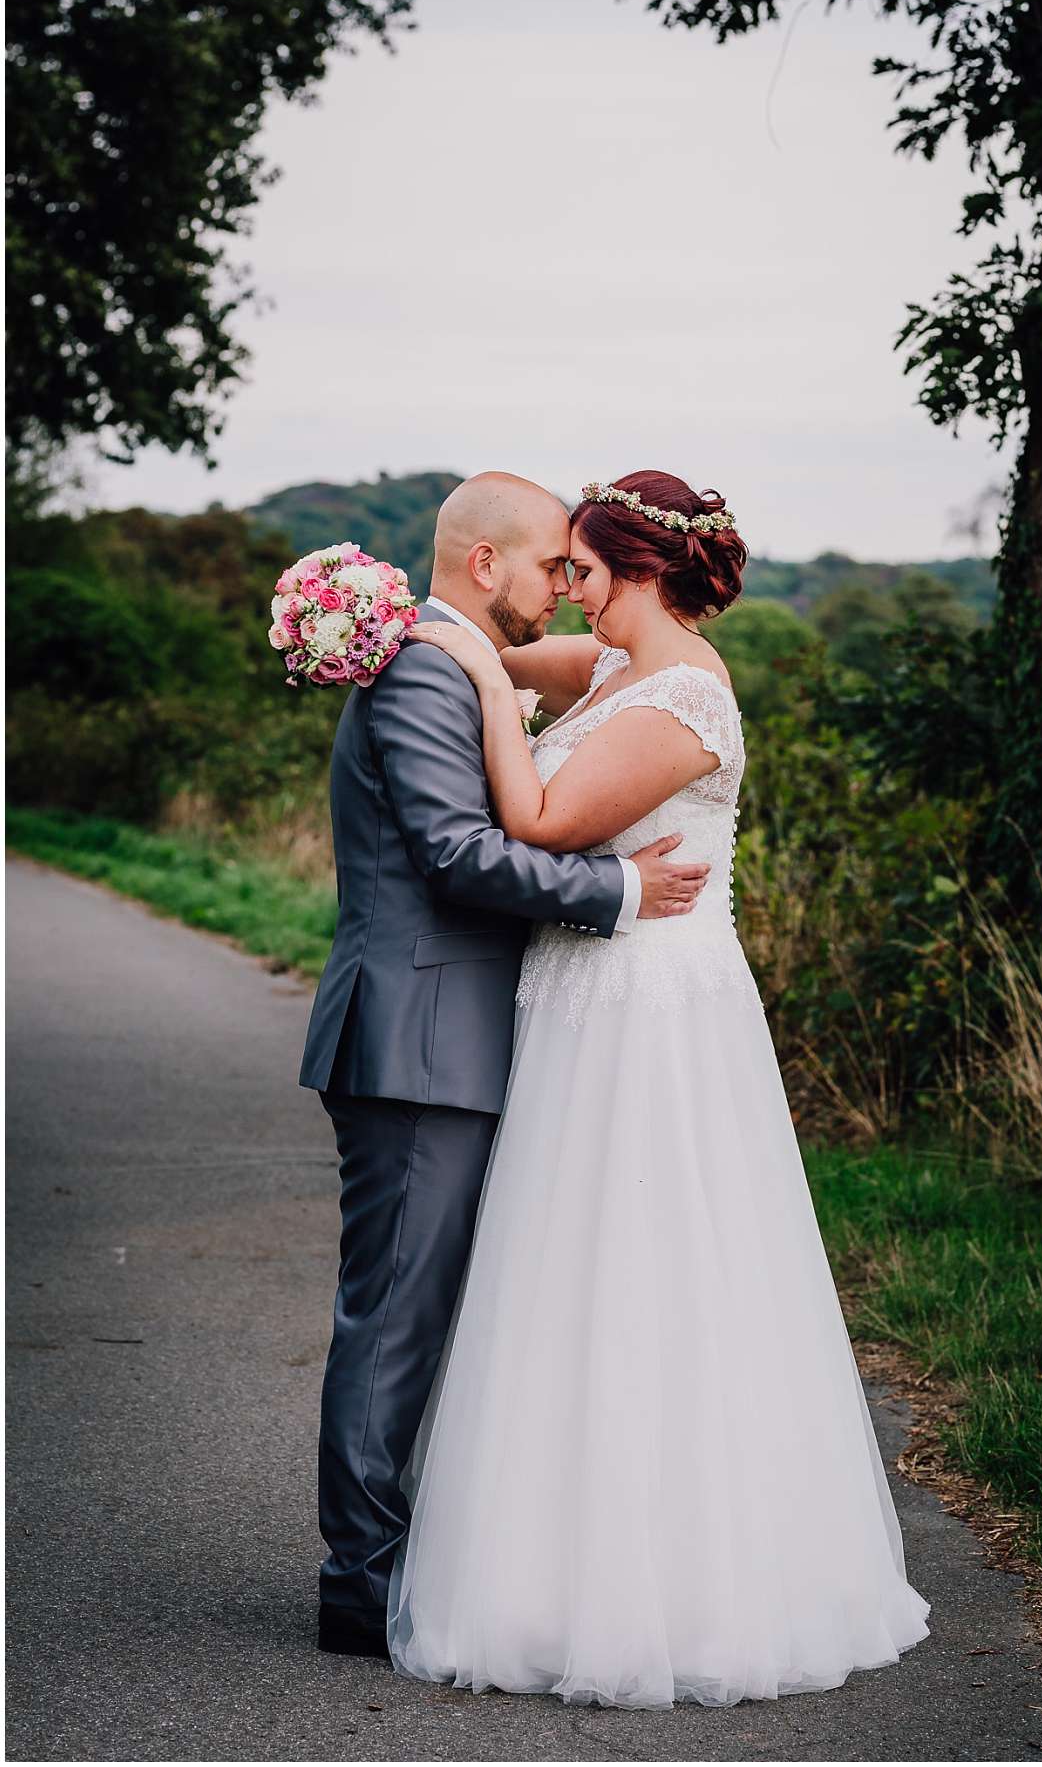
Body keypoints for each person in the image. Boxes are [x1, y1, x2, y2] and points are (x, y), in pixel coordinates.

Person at [387, 471, 931, 1708]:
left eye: (582, 565)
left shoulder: (682, 696)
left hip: (648, 1011)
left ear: (638, 570)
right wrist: (413, 626)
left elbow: (533, 813)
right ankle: (549, 1562)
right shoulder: (611, 667)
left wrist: (475, 680)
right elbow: (509, 651)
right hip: (582, 999)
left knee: (649, 1269)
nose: (566, 584)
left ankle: (681, 1581)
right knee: (561, 1275)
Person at [299, 474, 711, 1659]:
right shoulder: (431, 667)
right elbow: (455, 852)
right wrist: (620, 890)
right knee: (395, 1316)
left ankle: (397, 1555)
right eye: (548, 571)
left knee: (427, 1311)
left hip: (447, 1034)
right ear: (486, 563)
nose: (559, 596)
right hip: (418, 1037)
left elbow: (606, 665)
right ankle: (360, 1583)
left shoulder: (454, 653)